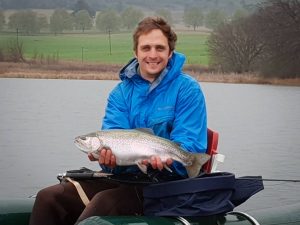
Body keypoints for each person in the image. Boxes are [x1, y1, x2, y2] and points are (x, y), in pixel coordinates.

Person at [29, 16, 207, 225]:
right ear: (136, 52)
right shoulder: (120, 94)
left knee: (103, 205)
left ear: (170, 52)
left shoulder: (188, 89)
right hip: (124, 180)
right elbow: (113, 143)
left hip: (166, 186)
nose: (152, 55)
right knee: (47, 198)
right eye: (145, 48)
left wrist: (169, 163)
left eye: (159, 48)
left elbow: (190, 143)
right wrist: (109, 162)